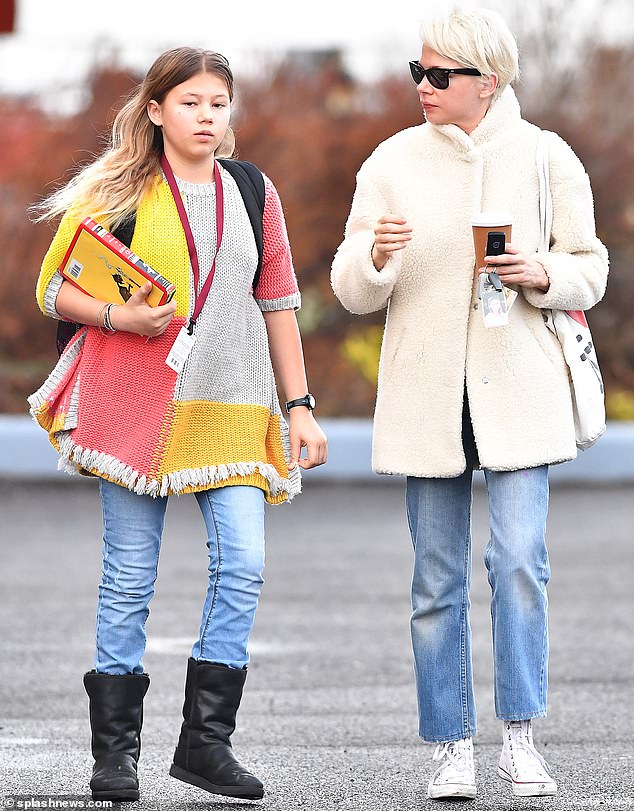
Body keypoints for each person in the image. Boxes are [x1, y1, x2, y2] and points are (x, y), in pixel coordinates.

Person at [29, 47, 327, 803]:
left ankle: (205, 743)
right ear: (157, 109)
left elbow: (279, 304)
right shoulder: (119, 188)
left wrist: (300, 408)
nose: (207, 116)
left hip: (232, 408)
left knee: (246, 564)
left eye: (219, 103)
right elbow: (53, 289)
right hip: (136, 412)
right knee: (129, 580)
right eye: (191, 102)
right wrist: (120, 316)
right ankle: (115, 756)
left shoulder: (253, 190)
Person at [331, 7, 607, 801]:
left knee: (520, 562)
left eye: (439, 75)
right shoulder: (389, 161)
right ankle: (452, 744)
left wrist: (540, 271)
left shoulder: (547, 157)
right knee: (435, 578)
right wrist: (375, 257)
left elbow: (592, 268)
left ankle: (520, 736)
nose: (422, 85)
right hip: (429, 395)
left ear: (487, 81)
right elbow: (350, 289)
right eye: (417, 71)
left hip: (519, 393)